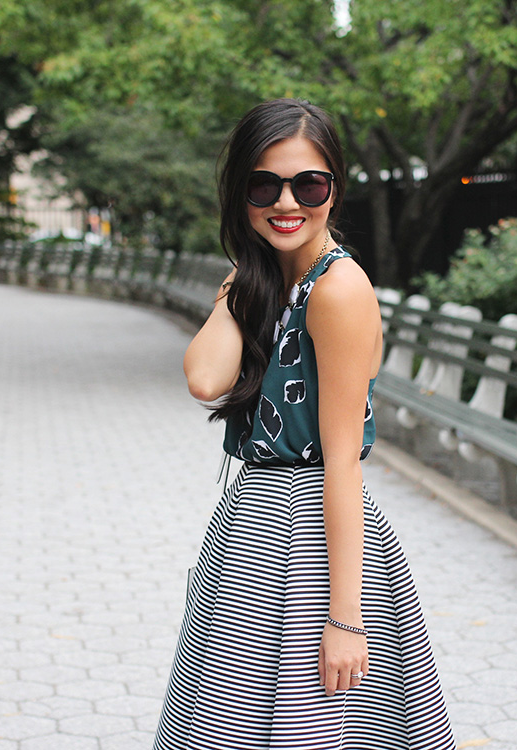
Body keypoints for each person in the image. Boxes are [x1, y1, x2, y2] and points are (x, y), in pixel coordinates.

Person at [153, 98, 456, 750]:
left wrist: (346, 618)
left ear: (334, 188)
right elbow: (206, 378)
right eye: (265, 184)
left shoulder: (339, 290)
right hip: (254, 530)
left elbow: (342, 461)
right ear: (240, 193)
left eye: (308, 184)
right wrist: (246, 280)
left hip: (314, 534)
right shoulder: (265, 280)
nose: (286, 202)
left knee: (304, 722)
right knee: (232, 719)